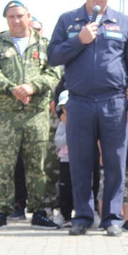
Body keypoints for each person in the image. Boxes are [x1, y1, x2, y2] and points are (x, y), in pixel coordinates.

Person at [48, 0, 128, 236]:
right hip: (79, 102)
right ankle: (82, 216)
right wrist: (78, 40)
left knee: (115, 160)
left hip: (113, 101)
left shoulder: (123, 22)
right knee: (81, 160)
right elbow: (53, 56)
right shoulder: (68, 21)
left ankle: (112, 218)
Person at [0, 0, 62, 229]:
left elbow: (54, 72)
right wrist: (13, 89)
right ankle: (1, 210)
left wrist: (32, 87)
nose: (16, 21)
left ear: (28, 16)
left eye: (20, 16)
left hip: (35, 113)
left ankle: (39, 210)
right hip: (7, 114)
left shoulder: (44, 44)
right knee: (4, 164)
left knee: (37, 165)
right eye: (11, 17)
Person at [54, 90, 73, 226]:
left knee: (78, 187)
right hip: (65, 160)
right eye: (64, 107)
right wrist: (69, 136)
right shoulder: (62, 125)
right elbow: (57, 141)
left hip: (79, 161)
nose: (67, 109)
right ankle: (65, 215)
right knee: (65, 188)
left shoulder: (83, 122)